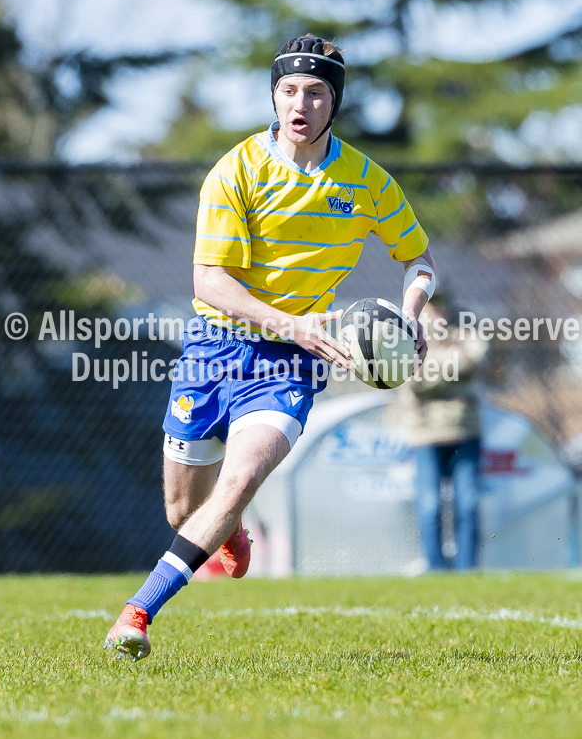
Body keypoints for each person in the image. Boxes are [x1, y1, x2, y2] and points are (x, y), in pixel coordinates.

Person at [104, 35, 437, 660]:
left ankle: (137, 613)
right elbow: (210, 282)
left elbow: (418, 259)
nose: (300, 103)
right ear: (274, 96)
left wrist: (411, 313)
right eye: (289, 90)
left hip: (289, 363)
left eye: (315, 92)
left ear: (334, 102)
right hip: (214, 346)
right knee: (184, 510)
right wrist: (297, 323)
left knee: (241, 480)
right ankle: (226, 536)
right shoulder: (236, 171)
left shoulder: (365, 179)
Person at [398, 291, 488, 570]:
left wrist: (430, 370)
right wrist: (452, 368)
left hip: (465, 430)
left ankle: (466, 571)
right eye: (432, 305)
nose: (438, 310)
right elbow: (411, 378)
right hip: (425, 434)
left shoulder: (466, 331)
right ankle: (436, 570)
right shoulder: (406, 338)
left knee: (468, 505)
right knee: (429, 506)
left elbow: (473, 360)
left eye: (442, 304)